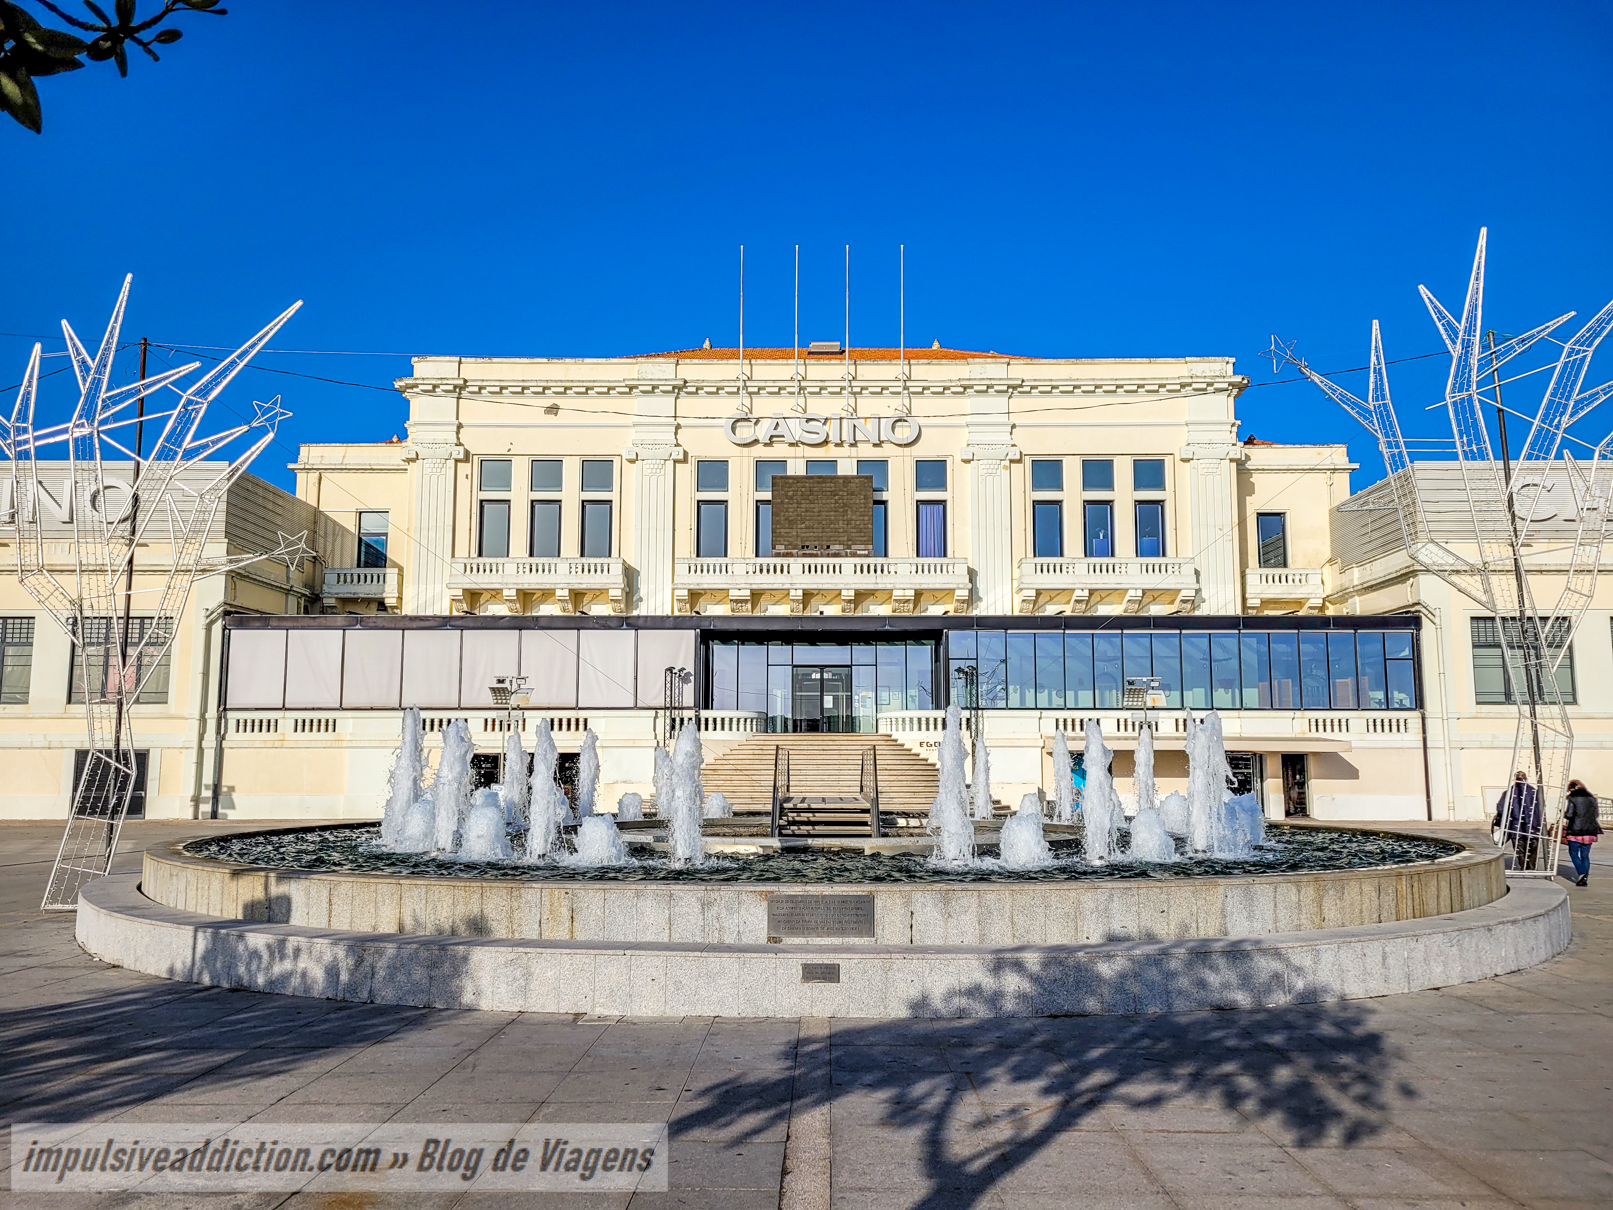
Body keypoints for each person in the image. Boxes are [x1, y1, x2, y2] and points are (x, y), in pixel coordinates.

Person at [1493, 771, 1543, 872]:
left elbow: (1501, 809)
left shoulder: (1509, 793)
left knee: (1519, 849)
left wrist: (1500, 822)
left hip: (1515, 826)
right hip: (1533, 826)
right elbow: (1540, 809)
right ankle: (1531, 867)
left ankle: (1523, 866)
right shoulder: (1534, 792)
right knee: (1532, 847)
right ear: (1526, 779)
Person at [1563, 778, 1603, 887]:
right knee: (1585, 855)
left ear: (1572, 788)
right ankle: (1585, 877)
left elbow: (1570, 815)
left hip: (1575, 831)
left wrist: (1564, 814)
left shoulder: (1573, 798)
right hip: (1590, 831)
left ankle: (1582, 875)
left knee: (1574, 853)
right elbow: (1596, 815)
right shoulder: (1592, 798)